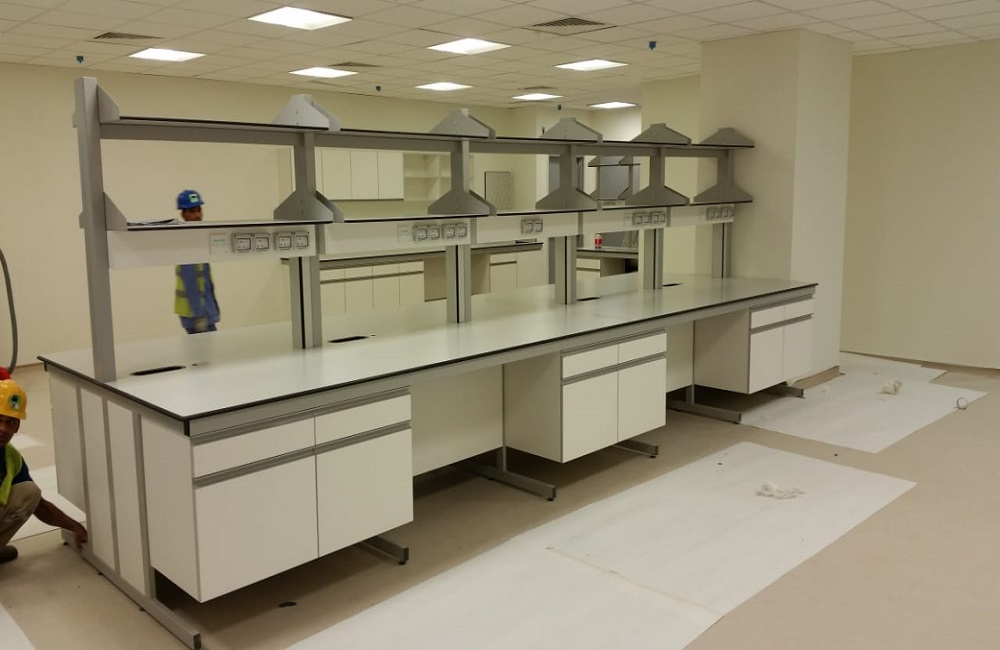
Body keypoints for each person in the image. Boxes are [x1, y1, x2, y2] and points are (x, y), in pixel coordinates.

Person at [0, 372, 88, 564]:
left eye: (10, 422)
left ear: (17, 426)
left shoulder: (11, 458)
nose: (3, 429)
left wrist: (74, 526)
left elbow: (39, 505)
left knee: (29, 492)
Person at [174, 189, 220, 334]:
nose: (197, 215)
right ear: (183, 214)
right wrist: (199, 315)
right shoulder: (186, 241)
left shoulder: (197, 237)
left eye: (199, 210)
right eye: (192, 211)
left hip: (204, 311)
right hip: (196, 314)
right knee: (206, 348)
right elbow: (190, 281)